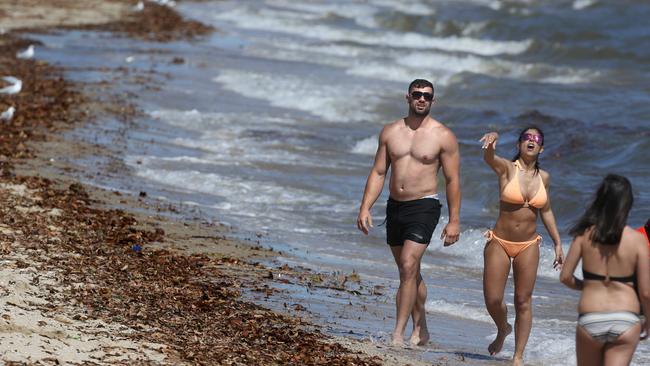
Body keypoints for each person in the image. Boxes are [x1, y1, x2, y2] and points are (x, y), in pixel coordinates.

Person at [356, 79, 461, 346]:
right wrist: (365, 206)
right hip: (395, 207)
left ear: (433, 101)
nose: (422, 99)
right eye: (417, 94)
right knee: (410, 273)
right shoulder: (391, 131)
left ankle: (397, 335)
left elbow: (452, 180)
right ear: (408, 97)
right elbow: (379, 172)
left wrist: (454, 220)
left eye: (427, 96)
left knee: (407, 266)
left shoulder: (443, 136)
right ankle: (421, 326)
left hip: (424, 206)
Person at [479, 127, 563, 365]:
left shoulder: (544, 178)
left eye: (536, 139)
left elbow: (545, 211)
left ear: (541, 148)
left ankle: (518, 357)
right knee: (493, 299)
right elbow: (488, 158)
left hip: (528, 244)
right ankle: (503, 327)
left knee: (523, 300)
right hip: (500, 241)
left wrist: (557, 242)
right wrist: (492, 140)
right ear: (518, 144)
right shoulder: (507, 168)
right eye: (526, 137)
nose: (531, 141)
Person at [560, 174, 650, 366]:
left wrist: (590, 285)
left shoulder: (584, 235)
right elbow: (645, 292)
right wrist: (648, 322)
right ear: (628, 203)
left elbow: (565, 277)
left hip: (591, 315)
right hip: (626, 319)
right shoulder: (637, 240)